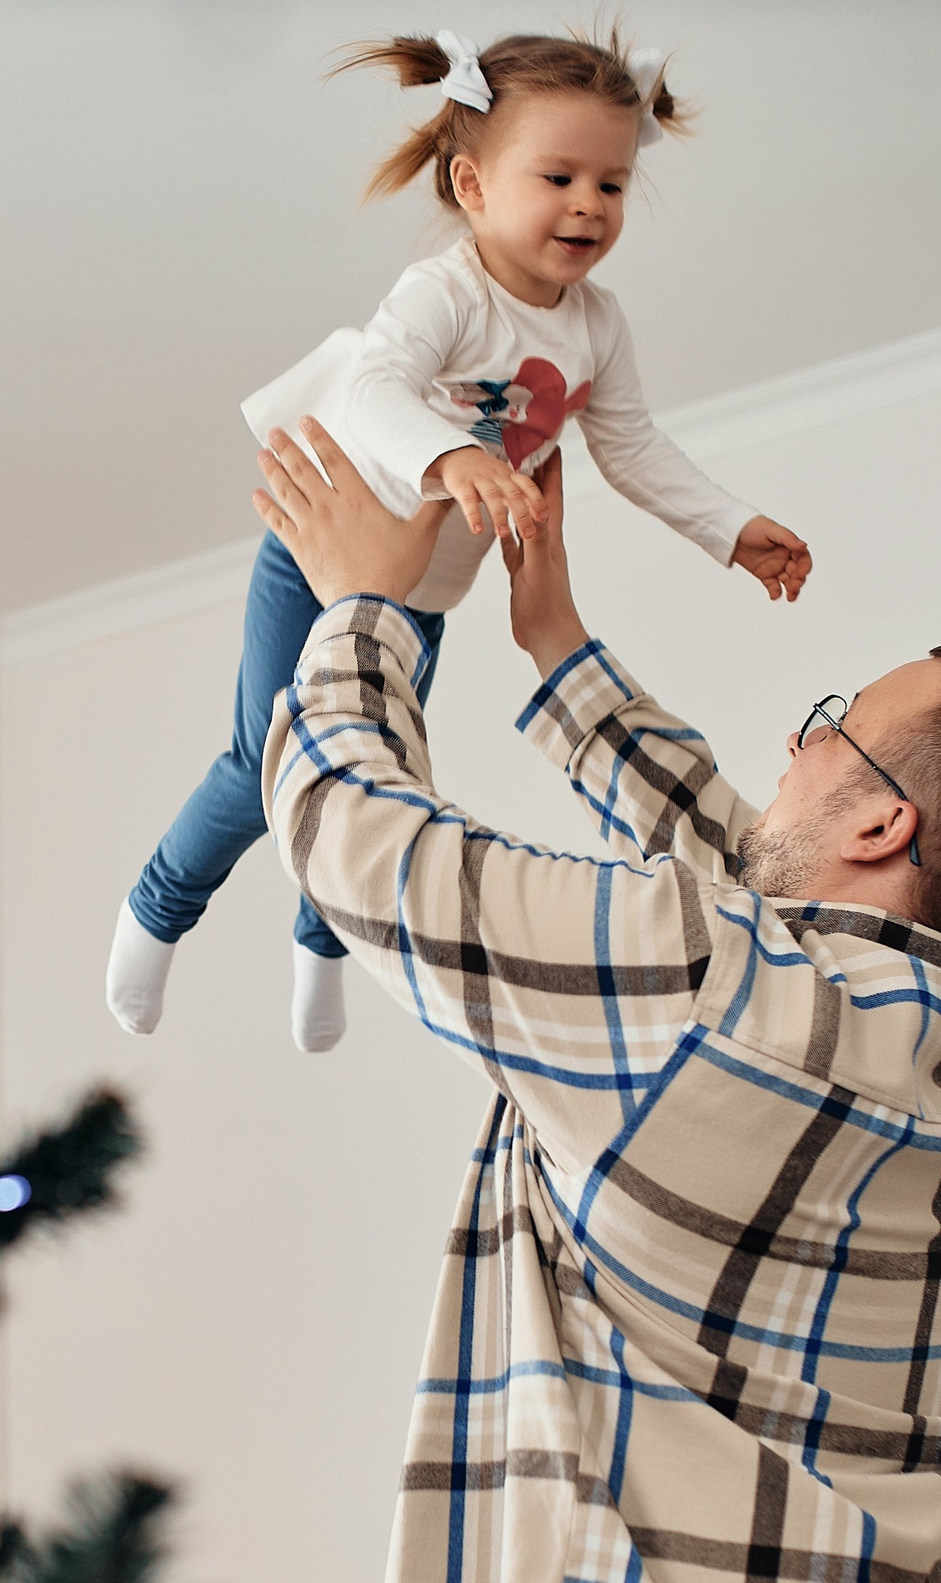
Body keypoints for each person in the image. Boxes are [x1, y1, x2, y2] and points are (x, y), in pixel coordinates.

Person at [251, 417, 941, 1583]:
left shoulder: (701, 982)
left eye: (834, 724)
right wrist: (555, 643)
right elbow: (758, 879)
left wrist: (361, 608)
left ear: (883, 821)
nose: (797, 741)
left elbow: (352, 836)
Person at [109, 30, 812, 1053]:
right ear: (472, 185)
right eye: (559, 178)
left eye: (612, 184)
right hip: (323, 555)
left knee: (373, 774)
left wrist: (730, 527)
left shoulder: (598, 324)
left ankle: (320, 952)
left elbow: (631, 446)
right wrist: (451, 460)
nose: (589, 205)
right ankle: (155, 911)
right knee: (262, 759)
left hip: (424, 598)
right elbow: (373, 388)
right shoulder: (447, 293)